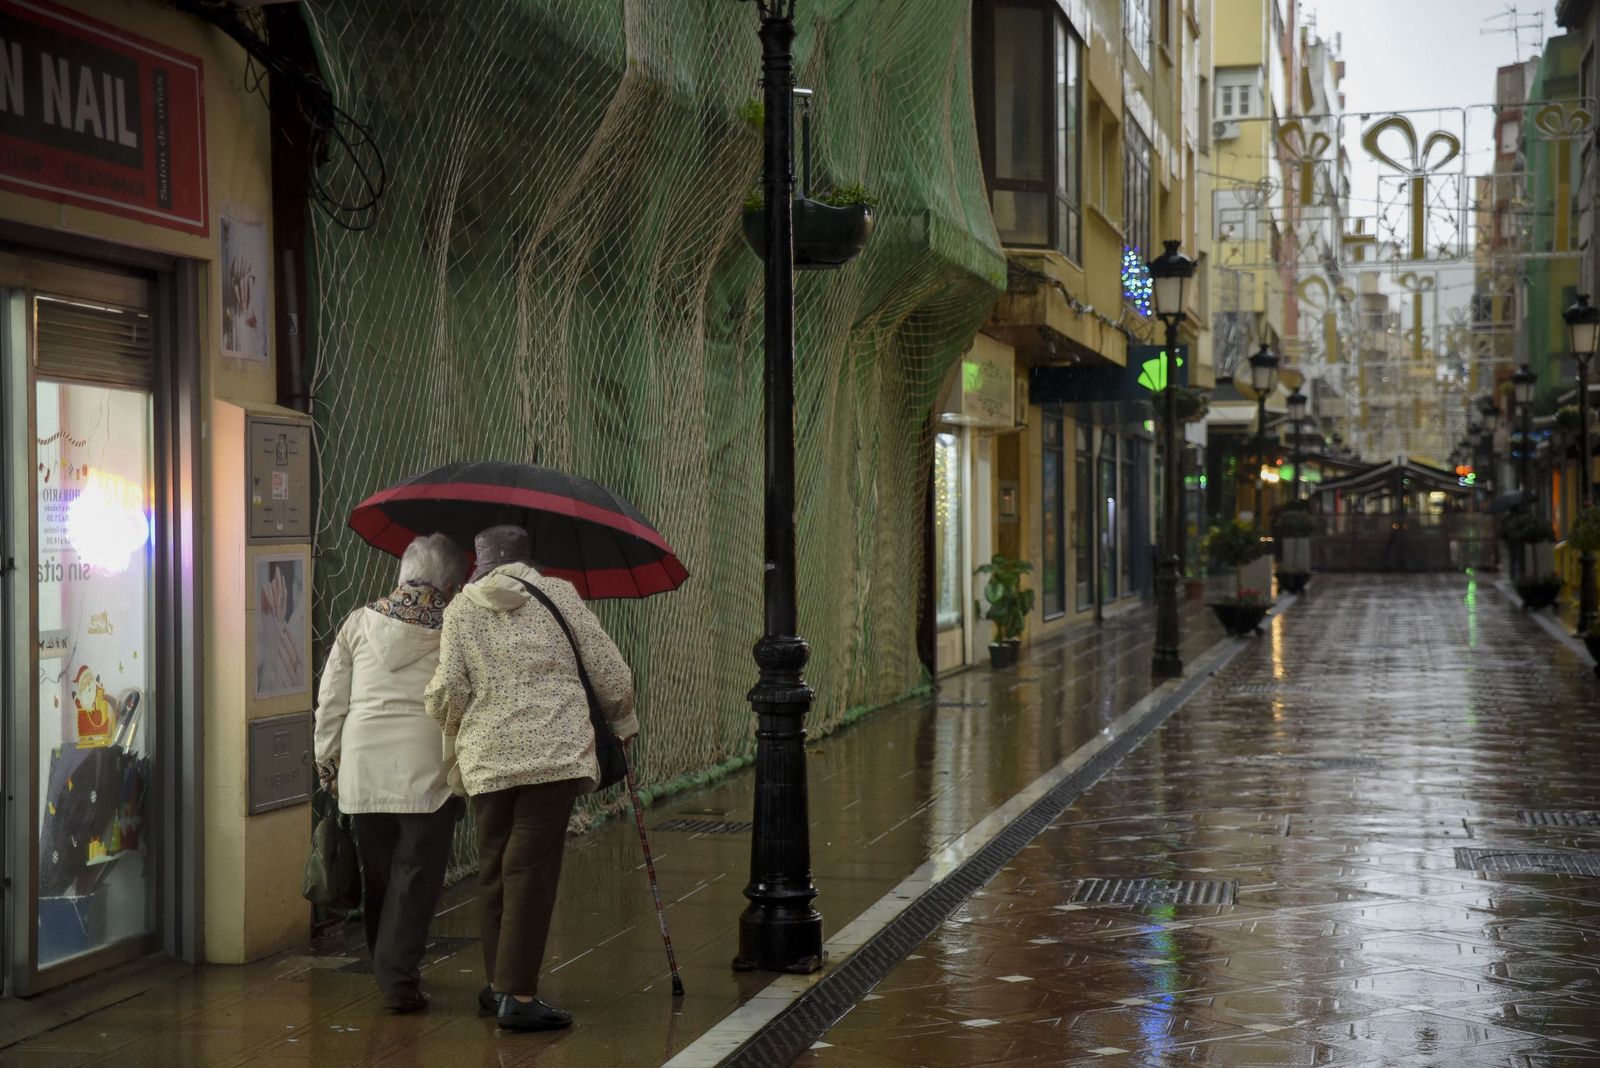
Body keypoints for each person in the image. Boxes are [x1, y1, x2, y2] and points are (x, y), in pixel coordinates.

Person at [425, 525, 638, 1032]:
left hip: (488, 758)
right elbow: (611, 673)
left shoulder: (459, 609)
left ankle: (499, 983)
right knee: (531, 874)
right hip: (552, 752)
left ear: (479, 564)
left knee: (495, 868)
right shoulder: (559, 595)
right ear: (528, 558)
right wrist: (624, 720)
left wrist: (453, 722)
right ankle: (518, 994)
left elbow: (448, 690)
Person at [313, 533, 469, 1014]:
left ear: (403, 573)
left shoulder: (358, 622)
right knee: (416, 879)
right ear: (449, 582)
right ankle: (397, 977)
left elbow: (331, 700)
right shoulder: (454, 628)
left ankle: (390, 968)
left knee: (381, 878)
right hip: (427, 774)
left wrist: (328, 762)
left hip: (362, 770)